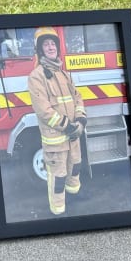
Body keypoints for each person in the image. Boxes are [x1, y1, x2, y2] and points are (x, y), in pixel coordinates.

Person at [27, 27, 87, 216]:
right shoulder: (36, 76)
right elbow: (43, 110)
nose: (51, 47)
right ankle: (58, 211)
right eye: (46, 44)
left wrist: (80, 119)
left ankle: (75, 197)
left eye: (53, 43)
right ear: (40, 49)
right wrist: (68, 126)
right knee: (58, 176)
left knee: (75, 166)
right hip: (56, 138)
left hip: (73, 135)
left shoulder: (63, 73)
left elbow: (77, 97)